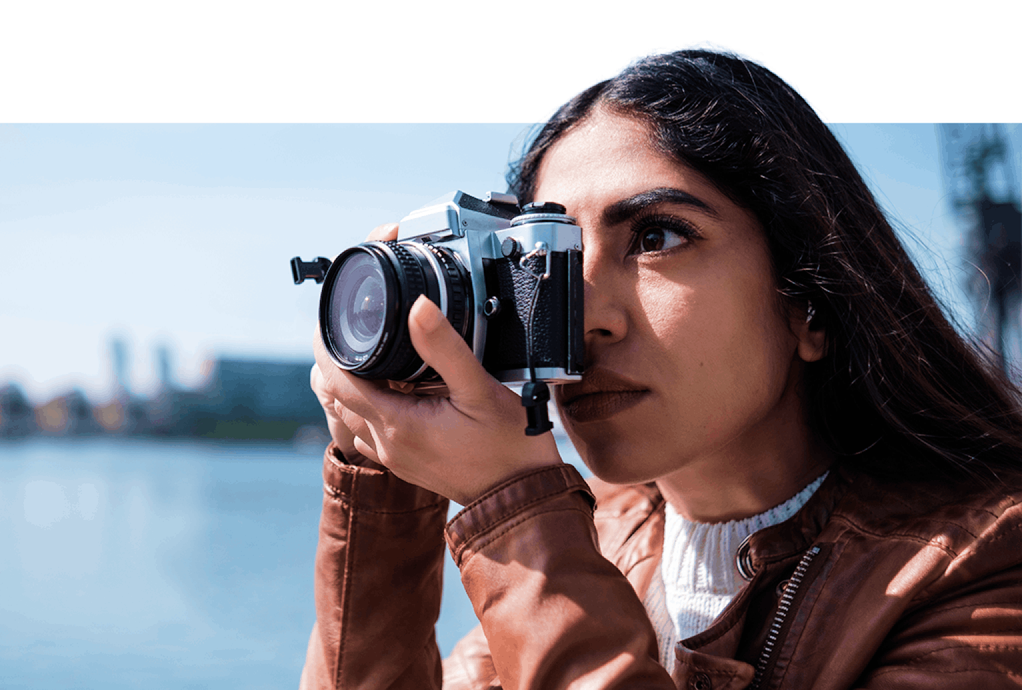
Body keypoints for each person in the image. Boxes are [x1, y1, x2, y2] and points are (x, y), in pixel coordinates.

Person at [299, 50, 1022, 690]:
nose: (581, 317)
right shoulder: (596, 539)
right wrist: (382, 487)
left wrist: (512, 505)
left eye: (655, 237)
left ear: (810, 304)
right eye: (552, 263)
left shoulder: (981, 566)